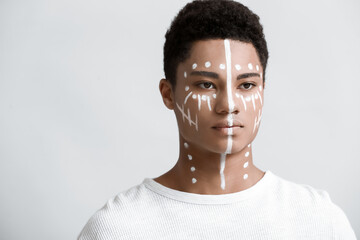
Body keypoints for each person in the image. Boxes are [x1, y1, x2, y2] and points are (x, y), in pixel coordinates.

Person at [77, 0, 357, 239]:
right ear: (168, 94)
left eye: (246, 85)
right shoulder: (118, 229)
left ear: (262, 90)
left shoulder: (320, 222)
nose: (229, 105)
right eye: (206, 85)